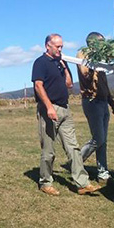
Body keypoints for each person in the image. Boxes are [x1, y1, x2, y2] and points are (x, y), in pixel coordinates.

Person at [31, 34, 100, 196]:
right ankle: (45, 182)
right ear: (48, 46)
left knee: (73, 147)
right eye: (57, 46)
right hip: (49, 108)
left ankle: (82, 183)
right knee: (48, 149)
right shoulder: (40, 62)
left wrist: (64, 66)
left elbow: (69, 84)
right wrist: (49, 107)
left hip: (64, 109)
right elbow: (38, 86)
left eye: (61, 46)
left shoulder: (60, 62)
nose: (60, 49)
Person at [76, 32, 114, 185]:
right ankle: (77, 162)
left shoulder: (101, 60)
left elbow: (103, 84)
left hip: (102, 101)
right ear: (92, 43)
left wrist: (112, 103)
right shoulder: (83, 53)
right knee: (98, 138)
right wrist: (95, 62)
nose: (104, 45)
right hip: (91, 101)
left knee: (103, 140)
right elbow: (85, 74)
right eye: (101, 42)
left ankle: (103, 173)